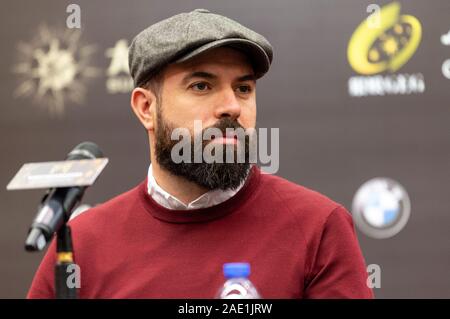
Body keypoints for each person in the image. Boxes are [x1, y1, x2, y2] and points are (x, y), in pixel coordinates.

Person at [27, 8, 373, 299]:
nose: (232, 106)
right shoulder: (83, 245)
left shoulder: (318, 228)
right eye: (202, 86)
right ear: (146, 107)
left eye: (243, 88)